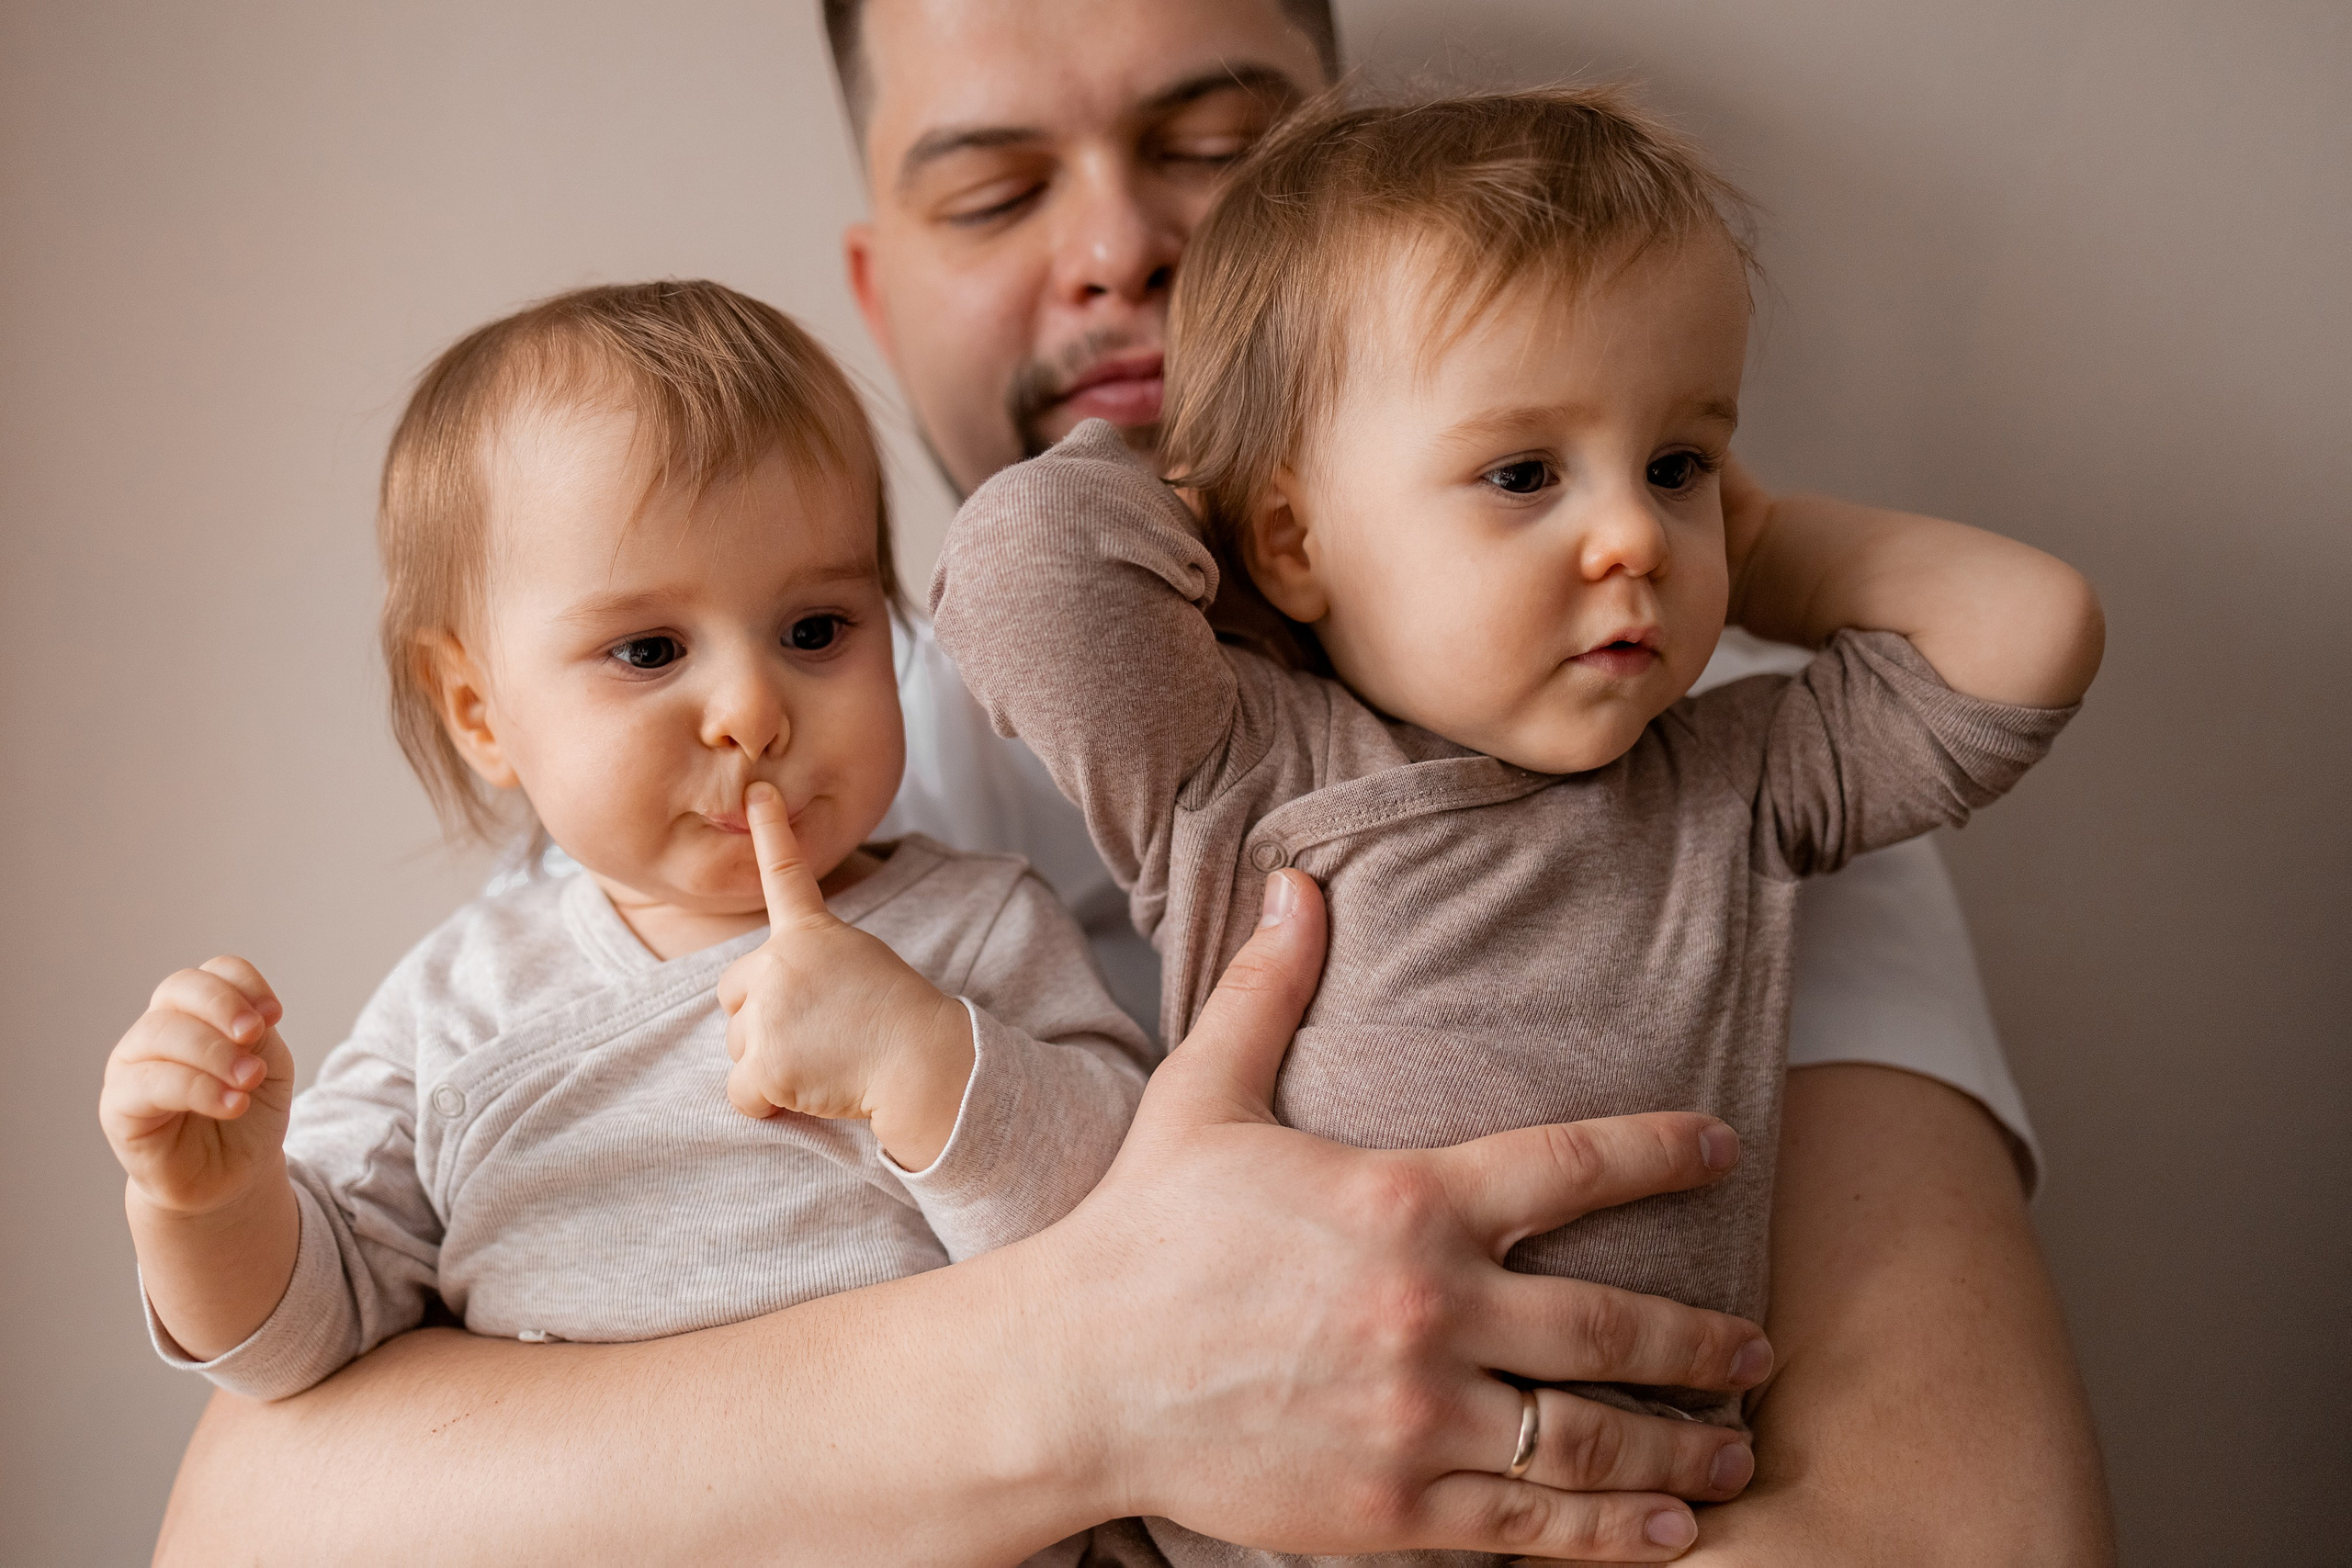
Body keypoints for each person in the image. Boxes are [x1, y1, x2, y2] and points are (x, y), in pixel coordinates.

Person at [156, 1, 2114, 1561]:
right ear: (876, 279)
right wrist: (1109, 1368)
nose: (1119, 254)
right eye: (994, 192)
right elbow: (258, 1520)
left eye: (1216, 152)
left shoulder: (1668, 748)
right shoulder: (722, 834)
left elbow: (1960, 1529)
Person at [935, 85, 2102, 1565]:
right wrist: (1229, 492)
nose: (1630, 536)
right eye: (1523, 472)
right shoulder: (1241, 764)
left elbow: (2028, 636)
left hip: (1642, 1520)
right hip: (1271, 1520)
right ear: (1291, 536)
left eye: (1677, 462)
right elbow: (1030, 562)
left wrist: (1762, 549)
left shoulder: (1739, 783)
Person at [100, 279, 1156, 1498]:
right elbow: (301, 1347)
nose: (754, 710)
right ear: (480, 715)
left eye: (816, 630)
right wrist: (210, 1207)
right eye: (650, 651)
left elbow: (1127, 1239)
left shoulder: (975, 926)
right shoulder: (461, 1003)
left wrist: (927, 1065)